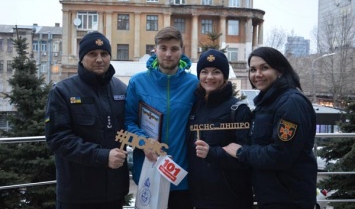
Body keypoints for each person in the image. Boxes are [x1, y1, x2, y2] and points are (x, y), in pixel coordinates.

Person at [223, 46, 317, 209]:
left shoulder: (291, 103)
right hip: (273, 196)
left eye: (264, 68)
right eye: (253, 69)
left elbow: (280, 155)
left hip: (290, 199)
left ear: (279, 70)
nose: (257, 74)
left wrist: (241, 152)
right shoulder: (268, 101)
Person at [45, 31, 129, 209]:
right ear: (81, 57)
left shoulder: (121, 89)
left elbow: (131, 128)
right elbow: (58, 139)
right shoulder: (62, 91)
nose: (99, 59)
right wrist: (102, 156)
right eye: (92, 54)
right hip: (77, 194)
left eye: (104, 54)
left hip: (114, 192)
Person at [124, 26, 198, 208]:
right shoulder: (138, 82)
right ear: (155, 50)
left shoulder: (193, 84)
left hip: (181, 176)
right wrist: (144, 143)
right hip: (149, 172)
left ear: (182, 51)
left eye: (174, 49)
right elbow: (128, 121)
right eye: (163, 48)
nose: (168, 54)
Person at [187, 49, 254, 209]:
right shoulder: (194, 107)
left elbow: (247, 157)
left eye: (216, 72)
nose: (209, 77)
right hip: (198, 197)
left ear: (224, 76)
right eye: (204, 72)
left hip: (230, 198)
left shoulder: (238, 109)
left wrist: (212, 153)